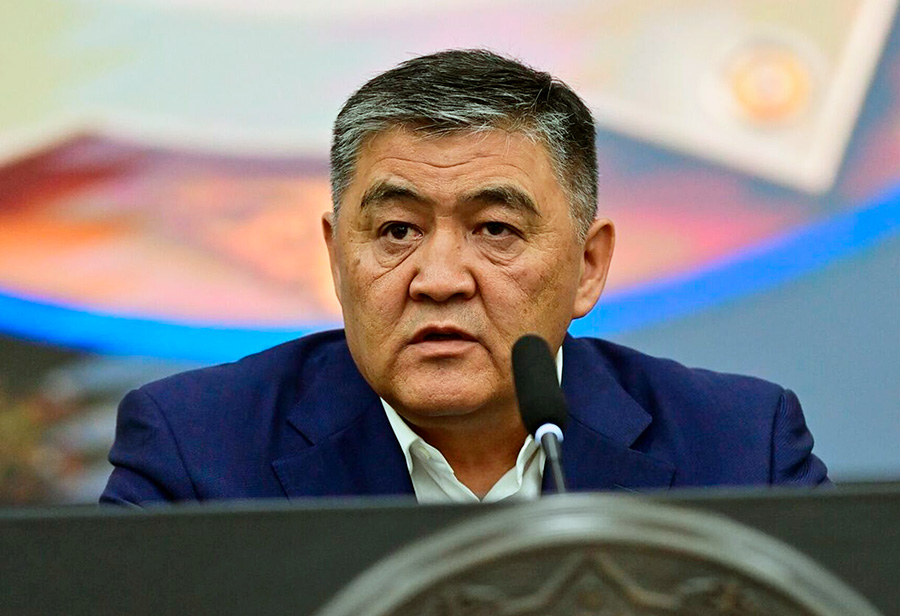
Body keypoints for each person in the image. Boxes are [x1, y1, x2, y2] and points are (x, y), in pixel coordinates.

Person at [101, 49, 828, 505]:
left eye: (495, 230)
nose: (440, 279)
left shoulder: (739, 450)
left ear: (588, 267)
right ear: (336, 258)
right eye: (397, 231)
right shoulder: (196, 453)